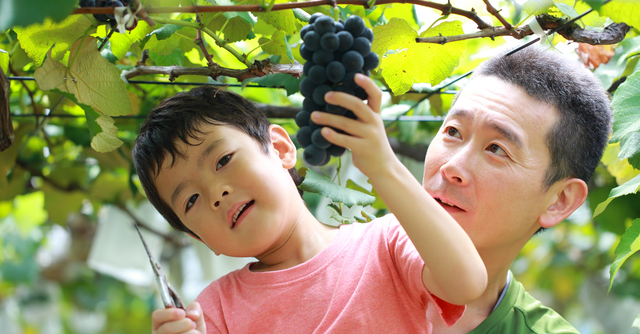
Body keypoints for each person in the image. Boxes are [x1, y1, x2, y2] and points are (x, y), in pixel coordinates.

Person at [132, 78, 487, 333]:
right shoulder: (213, 313)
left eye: (223, 160)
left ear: (282, 150)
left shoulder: (387, 243)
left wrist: (383, 166)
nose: (215, 193)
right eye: (191, 200)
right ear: (199, 237)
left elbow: (467, 283)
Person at [417, 46, 612, 333]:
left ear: (559, 200)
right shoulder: (337, 254)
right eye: (453, 131)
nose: (452, 168)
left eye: (496, 149)